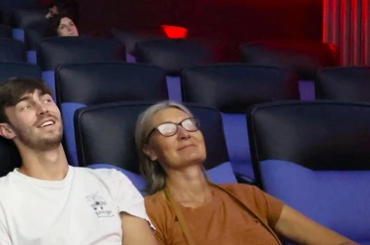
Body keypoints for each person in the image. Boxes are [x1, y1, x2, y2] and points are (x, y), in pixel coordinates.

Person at [0, 78, 155, 244]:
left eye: (47, 100)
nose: (43, 109)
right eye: (26, 106)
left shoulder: (112, 181)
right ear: (7, 130)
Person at [136, 101, 354, 245]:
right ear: (150, 151)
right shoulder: (150, 213)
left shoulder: (249, 196)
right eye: (167, 129)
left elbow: (334, 242)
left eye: (190, 125)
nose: (184, 134)